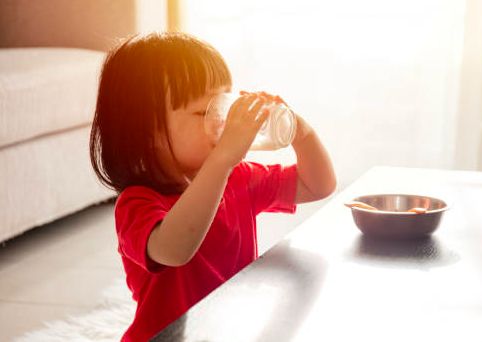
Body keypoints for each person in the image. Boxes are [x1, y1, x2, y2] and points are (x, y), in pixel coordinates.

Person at [89, 32, 336, 341]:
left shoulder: (239, 176)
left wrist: (302, 132)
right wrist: (222, 160)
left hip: (229, 329)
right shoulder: (137, 204)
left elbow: (318, 185)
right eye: (204, 112)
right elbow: (175, 250)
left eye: (223, 106)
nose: (222, 121)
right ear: (146, 129)